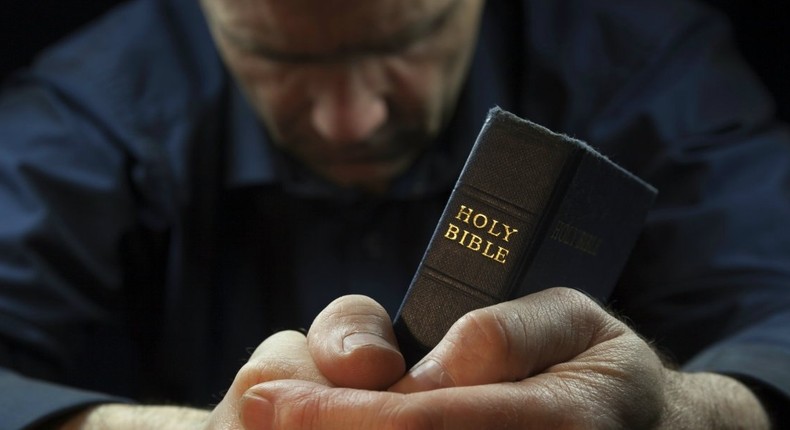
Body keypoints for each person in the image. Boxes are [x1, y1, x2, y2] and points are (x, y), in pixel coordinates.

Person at [0, 0, 788, 428]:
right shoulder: (99, 100)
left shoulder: (644, 64)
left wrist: (678, 414)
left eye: (407, 38)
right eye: (279, 58)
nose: (352, 120)